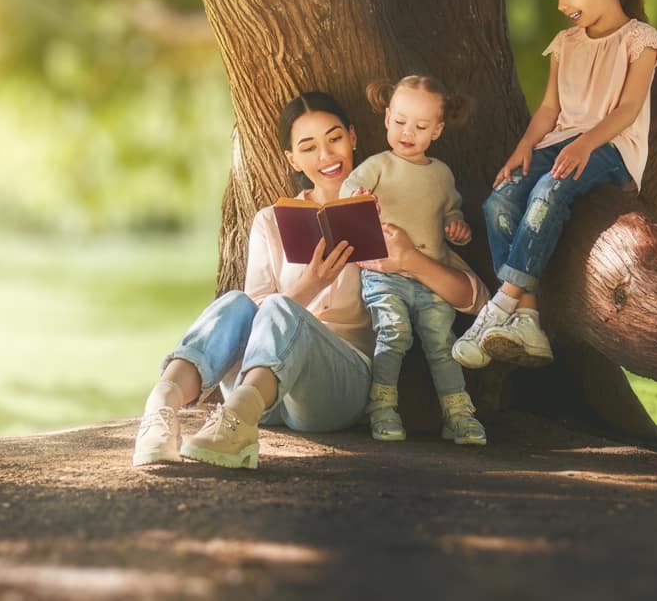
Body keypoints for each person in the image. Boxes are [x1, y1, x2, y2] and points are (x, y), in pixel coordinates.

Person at [132, 90, 489, 470]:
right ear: (291, 158)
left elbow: (477, 299)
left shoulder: (392, 216)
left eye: (334, 139)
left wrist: (411, 259)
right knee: (237, 302)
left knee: (281, 309)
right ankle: (159, 414)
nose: (326, 156)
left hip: (334, 389)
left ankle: (235, 426)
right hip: (256, 393)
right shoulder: (271, 221)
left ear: (352, 137)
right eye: (308, 147)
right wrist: (313, 282)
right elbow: (254, 316)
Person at [452, 0, 657, 370]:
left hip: (610, 146)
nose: (561, 4)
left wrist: (587, 143)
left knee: (549, 191)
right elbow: (550, 109)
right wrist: (523, 148)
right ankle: (528, 318)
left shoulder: (641, 39)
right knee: (500, 200)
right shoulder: (565, 44)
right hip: (560, 142)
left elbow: (627, 109)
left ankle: (498, 307)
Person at [340, 76, 486, 446]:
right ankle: (382, 407)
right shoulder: (378, 166)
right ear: (387, 118)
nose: (408, 132)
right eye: (401, 121)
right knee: (394, 333)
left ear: (437, 130)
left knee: (442, 342)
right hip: (384, 274)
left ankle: (459, 415)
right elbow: (347, 193)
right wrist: (356, 197)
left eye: (421, 126)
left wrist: (457, 226)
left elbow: (451, 210)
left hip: (430, 273)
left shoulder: (441, 174)